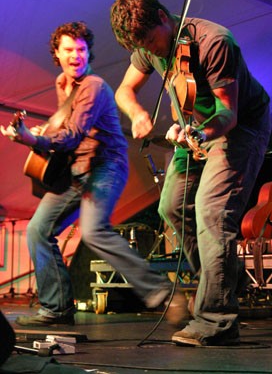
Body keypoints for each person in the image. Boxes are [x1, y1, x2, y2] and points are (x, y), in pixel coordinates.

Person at [110, 0, 271, 346]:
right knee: (171, 206)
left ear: (164, 17)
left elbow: (228, 115)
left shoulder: (215, 42)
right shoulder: (147, 46)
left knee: (212, 211)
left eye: (153, 40)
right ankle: (229, 280)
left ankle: (217, 319)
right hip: (192, 129)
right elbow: (124, 90)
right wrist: (137, 114)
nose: (151, 51)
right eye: (144, 47)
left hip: (237, 127)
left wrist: (196, 132)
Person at [1, 21, 184, 326]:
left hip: (105, 167)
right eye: (69, 50)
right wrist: (42, 131)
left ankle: (165, 293)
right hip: (75, 172)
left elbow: (73, 135)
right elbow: (68, 131)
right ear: (56, 54)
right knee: (37, 231)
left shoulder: (95, 86)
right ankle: (57, 309)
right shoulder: (63, 84)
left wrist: (33, 140)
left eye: (82, 50)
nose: (76, 56)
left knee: (94, 231)